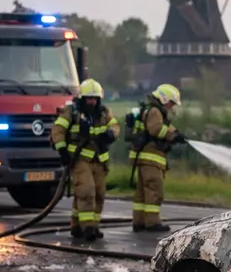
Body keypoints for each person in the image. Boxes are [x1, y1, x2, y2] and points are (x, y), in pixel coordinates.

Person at [50, 78, 120, 241]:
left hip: (100, 161)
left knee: (99, 193)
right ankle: (87, 227)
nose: (92, 102)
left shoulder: (103, 112)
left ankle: (83, 225)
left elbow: (115, 126)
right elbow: (58, 130)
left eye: (95, 98)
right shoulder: (71, 112)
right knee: (86, 191)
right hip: (80, 159)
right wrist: (62, 150)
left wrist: (111, 133)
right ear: (82, 98)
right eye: (89, 98)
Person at [130, 83, 186, 232]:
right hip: (151, 157)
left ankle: (139, 222)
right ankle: (152, 223)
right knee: (155, 189)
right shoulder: (155, 111)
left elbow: (163, 126)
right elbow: (156, 130)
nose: (171, 106)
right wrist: (173, 137)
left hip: (144, 157)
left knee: (142, 192)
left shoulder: (152, 109)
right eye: (171, 103)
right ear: (164, 99)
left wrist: (177, 134)